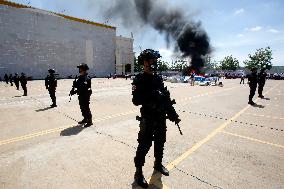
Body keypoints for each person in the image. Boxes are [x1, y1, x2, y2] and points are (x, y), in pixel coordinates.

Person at [131, 49, 180, 188]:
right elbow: (136, 100)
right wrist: (152, 94)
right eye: (152, 60)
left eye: (155, 61)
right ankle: (138, 173)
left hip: (160, 118)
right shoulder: (139, 79)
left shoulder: (158, 78)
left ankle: (158, 164)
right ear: (145, 62)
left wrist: (173, 114)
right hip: (147, 119)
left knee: (160, 142)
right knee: (144, 146)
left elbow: (166, 99)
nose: (154, 63)